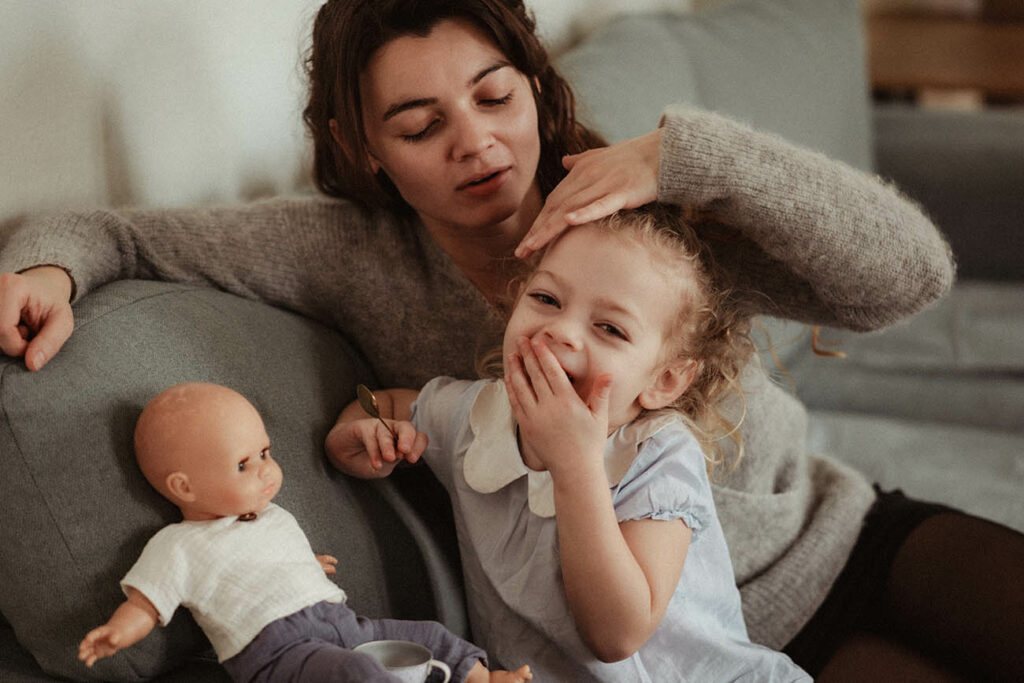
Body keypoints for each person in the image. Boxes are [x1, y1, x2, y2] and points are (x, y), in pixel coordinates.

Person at [0, 0, 1020, 680]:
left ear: (534, 84)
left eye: (494, 94)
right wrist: (45, 263)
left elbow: (908, 276)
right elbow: (120, 231)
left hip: (839, 530)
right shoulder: (346, 252)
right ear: (362, 146)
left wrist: (684, 158)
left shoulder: (634, 211)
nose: (477, 141)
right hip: (696, 647)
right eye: (419, 122)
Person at [327, 206, 812, 681]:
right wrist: (362, 436)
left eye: (610, 328)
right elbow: (388, 406)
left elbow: (618, 635)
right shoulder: (473, 420)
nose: (560, 330)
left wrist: (575, 463)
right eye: (546, 299)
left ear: (664, 380)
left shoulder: (658, 456)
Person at [77, 382, 532, 683]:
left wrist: (305, 567)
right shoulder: (179, 546)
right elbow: (147, 601)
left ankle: (485, 679)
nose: (266, 469)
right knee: (357, 673)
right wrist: (118, 633)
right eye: (243, 464)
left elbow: (269, 563)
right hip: (278, 654)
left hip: (342, 622)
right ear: (185, 486)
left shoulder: (271, 515)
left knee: (430, 636)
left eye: (265, 451)